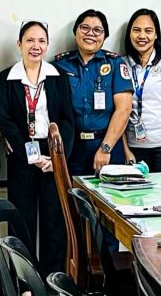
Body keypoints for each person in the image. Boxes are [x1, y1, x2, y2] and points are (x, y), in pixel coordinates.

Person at [0, 21, 75, 275]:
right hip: (21, 153)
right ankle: (26, 282)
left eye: (41, 41)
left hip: (53, 153)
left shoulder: (57, 77)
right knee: (22, 221)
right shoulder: (8, 77)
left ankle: (52, 279)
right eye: (30, 40)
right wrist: (28, 155)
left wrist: (57, 158)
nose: (35, 46)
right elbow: (4, 119)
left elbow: (67, 120)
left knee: (54, 222)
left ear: (47, 45)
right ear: (19, 44)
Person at [53, 10, 132, 175]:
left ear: (105, 36)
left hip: (107, 144)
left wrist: (105, 148)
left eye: (97, 30)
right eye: (85, 28)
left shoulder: (115, 64)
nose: (90, 34)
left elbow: (124, 109)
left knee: (110, 197)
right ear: (75, 32)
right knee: (73, 198)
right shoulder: (60, 65)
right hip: (72, 147)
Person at [120, 9, 161, 173]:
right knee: (138, 198)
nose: (142, 36)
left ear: (156, 35)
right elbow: (118, 111)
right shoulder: (121, 64)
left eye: (148, 31)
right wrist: (125, 149)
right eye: (136, 30)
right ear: (129, 34)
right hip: (134, 147)